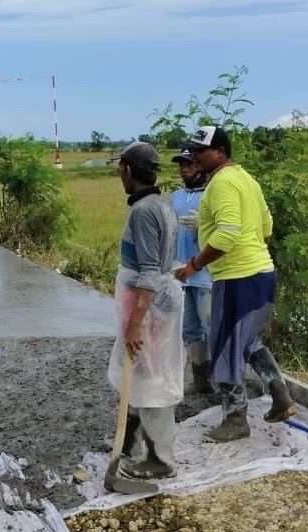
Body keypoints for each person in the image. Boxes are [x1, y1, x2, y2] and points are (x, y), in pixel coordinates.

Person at [175, 126, 296, 444]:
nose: (196, 156)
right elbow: (266, 224)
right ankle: (281, 396)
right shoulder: (247, 179)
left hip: (237, 278)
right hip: (261, 274)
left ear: (221, 152)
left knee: (225, 346)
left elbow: (227, 235)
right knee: (246, 342)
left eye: (202, 151)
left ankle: (235, 419)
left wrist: (194, 265)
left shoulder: (222, 183)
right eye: (194, 150)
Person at [106, 141, 184, 481]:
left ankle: (159, 459)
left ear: (127, 170)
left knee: (151, 376)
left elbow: (150, 271)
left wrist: (136, 323)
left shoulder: (143, 211)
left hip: (148, 306)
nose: (119, 176)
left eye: (119, 169)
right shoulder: (159, 205)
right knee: (138, 372)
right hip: (149, 303)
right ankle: (130, 444)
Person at [169, 147, 213, 395]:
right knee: (190, 330)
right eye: (182, 166)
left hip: (206, 275)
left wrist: (205, 224)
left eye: (191, 165)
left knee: (212, 328)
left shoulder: (211, 195)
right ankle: (201, 381)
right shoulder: (175, 197)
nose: (185, 170)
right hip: (182, 275)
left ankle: (228, 385)